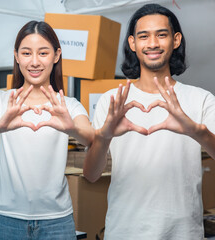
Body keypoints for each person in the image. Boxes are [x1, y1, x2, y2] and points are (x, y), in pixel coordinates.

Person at [83, 3, 215, 240]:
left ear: (175, 40)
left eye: (161, 35)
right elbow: (91, 174)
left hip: (183, 233)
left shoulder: (201, 99)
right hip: (125, 231)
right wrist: (104, 136)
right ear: (133, 43)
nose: (152, 43)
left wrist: (195, 131)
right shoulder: (112, 101)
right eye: (144, 36)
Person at [0, 20, 93, 240]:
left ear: (56, 56)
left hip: (57, 220)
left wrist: (70, 127)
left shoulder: (68, 105)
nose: (34, 62)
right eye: (26, 53)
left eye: (43, 53)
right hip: (7, 219)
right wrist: (0, 126)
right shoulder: (0, 99)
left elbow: (91, 137)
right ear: (16, 56)